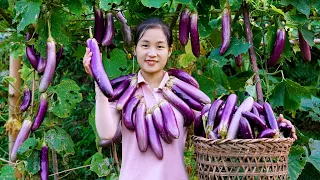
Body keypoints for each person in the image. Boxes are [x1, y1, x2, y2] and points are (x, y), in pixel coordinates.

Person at [83, 18, 297, 180]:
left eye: (159, 46)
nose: (152, 53)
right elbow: (106, 132)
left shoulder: (183, 94)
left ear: (169, 50)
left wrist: (274, 126)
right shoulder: (122, 92)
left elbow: (221, 123)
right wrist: (98, 79)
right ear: (135, 49)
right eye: (145, 45)